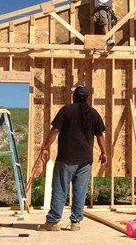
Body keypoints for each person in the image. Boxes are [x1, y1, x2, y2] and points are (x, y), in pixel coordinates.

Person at [37, 85, 107, 231]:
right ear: (87, 98)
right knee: (80, 191)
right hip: (85, 160)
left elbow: (55, 130)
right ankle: (75, 223)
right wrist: (103, 152)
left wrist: (45, 147)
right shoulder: (93, 113)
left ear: (73, 97)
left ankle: (53, 222)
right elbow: (100, 135)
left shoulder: (66, 110)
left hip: (66, 158)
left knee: (60, 189)